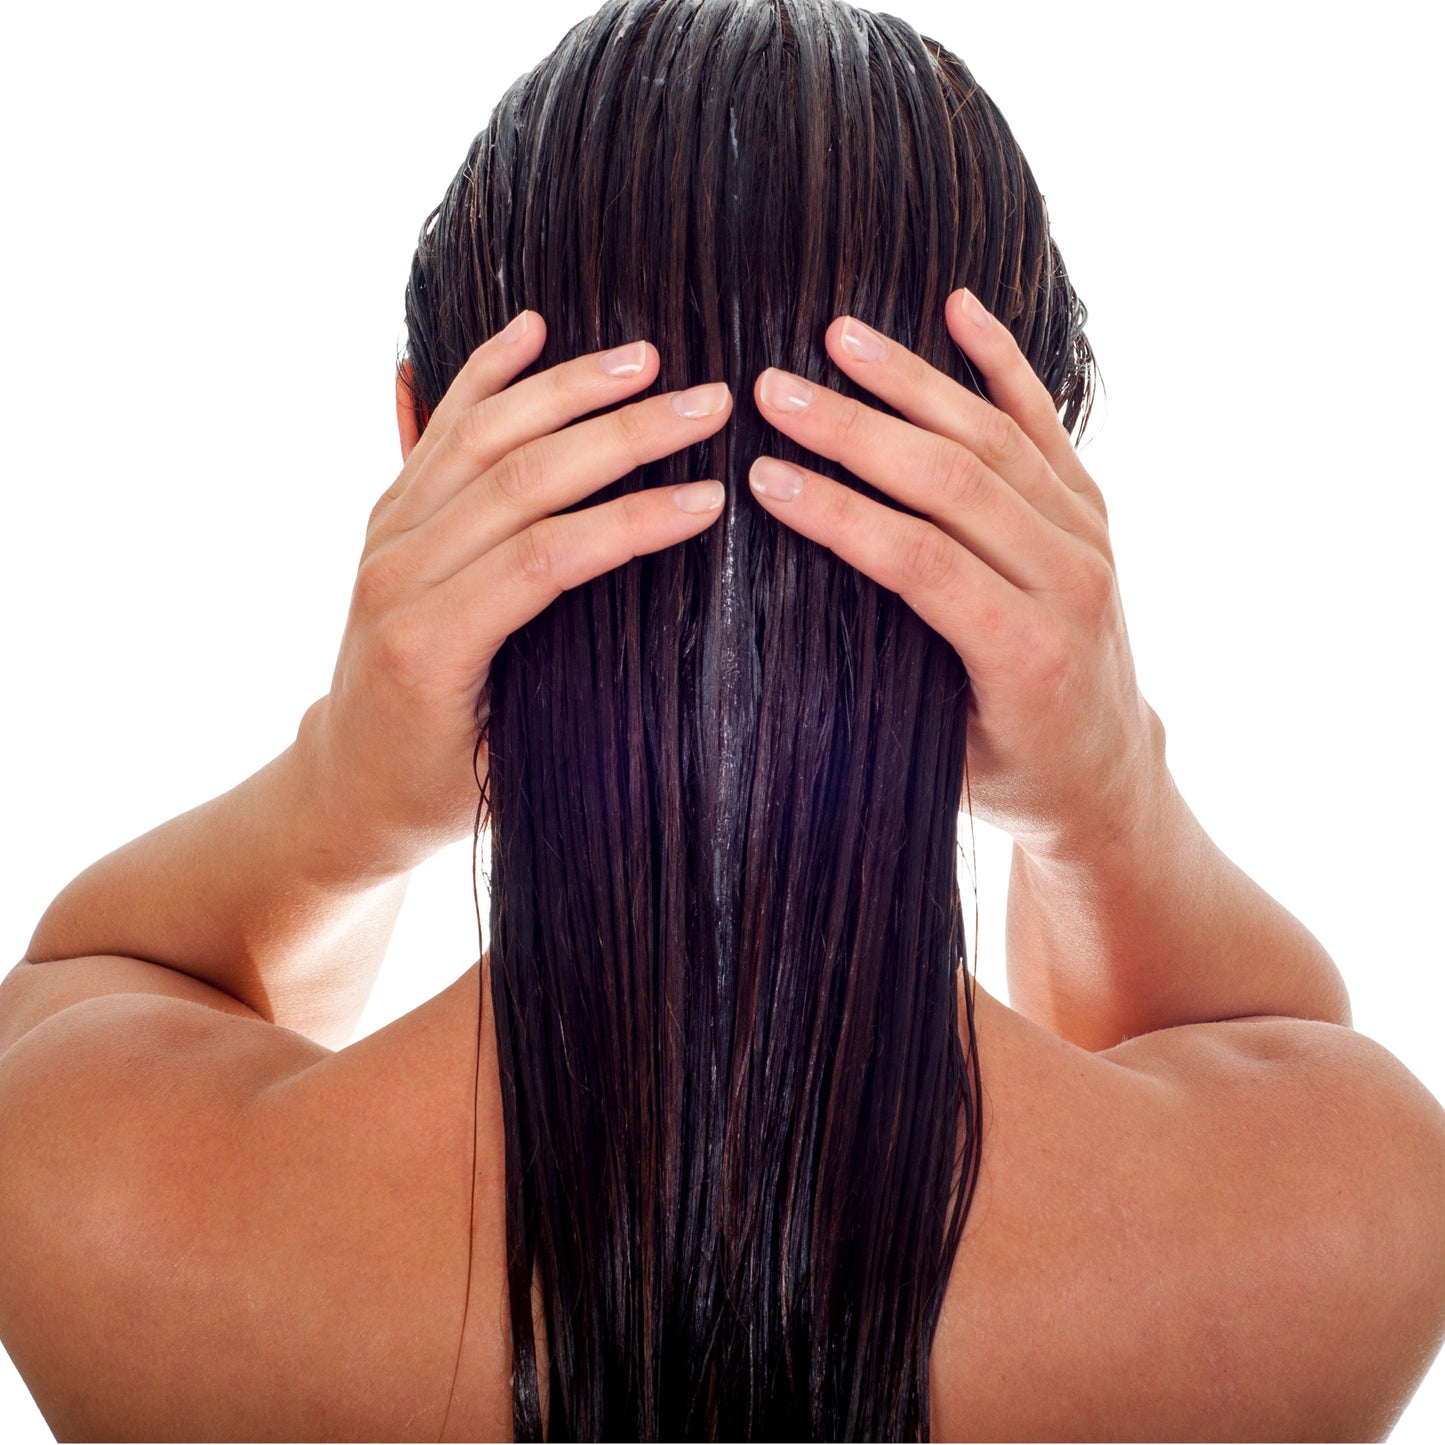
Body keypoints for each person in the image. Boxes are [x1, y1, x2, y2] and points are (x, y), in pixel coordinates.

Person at [2, 0, 1443, 1439]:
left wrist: (348, 785)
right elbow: (1243, 1056)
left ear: (426, 454)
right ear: (1022, 517)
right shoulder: (1336, 1228)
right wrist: (1107, 793)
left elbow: (98, 973)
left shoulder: (100, 1199)